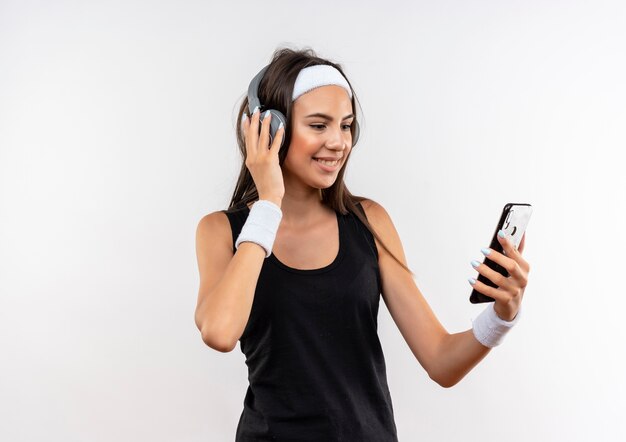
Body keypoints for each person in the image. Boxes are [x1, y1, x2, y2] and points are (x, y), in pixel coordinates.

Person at [194, 47, 530, 442]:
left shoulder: (369, 223)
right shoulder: (221, 230)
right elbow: (219, 332)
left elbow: (442, 362)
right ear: (270, 129)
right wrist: (268, 203)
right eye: (319, 126)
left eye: (347, 125)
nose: (339, 142)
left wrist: (502, 316)